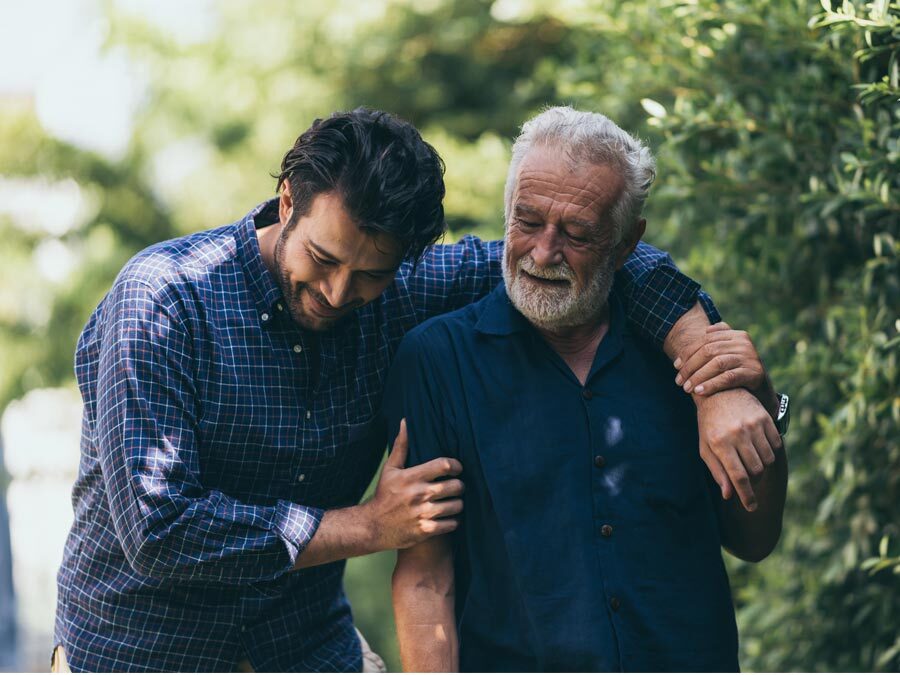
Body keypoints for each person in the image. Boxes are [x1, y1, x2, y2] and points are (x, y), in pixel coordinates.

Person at [54, 108, 775, 672]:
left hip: (304, 651)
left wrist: (713, 375)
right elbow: (159, 529)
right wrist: (370, 526)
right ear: (287, 201)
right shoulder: (163, 300)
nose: (338, 292)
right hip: (140, 653)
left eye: (370, 274)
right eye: (323, 258)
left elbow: (606, 260)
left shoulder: (406, 287)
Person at [387, 107, 789, 672]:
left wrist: (758, 403)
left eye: (577, 234)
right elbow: (427, 576)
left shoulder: (690, 354)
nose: (543, 253)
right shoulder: (438, 358)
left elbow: (753, 540)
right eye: (527, 221)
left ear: (626, 244)